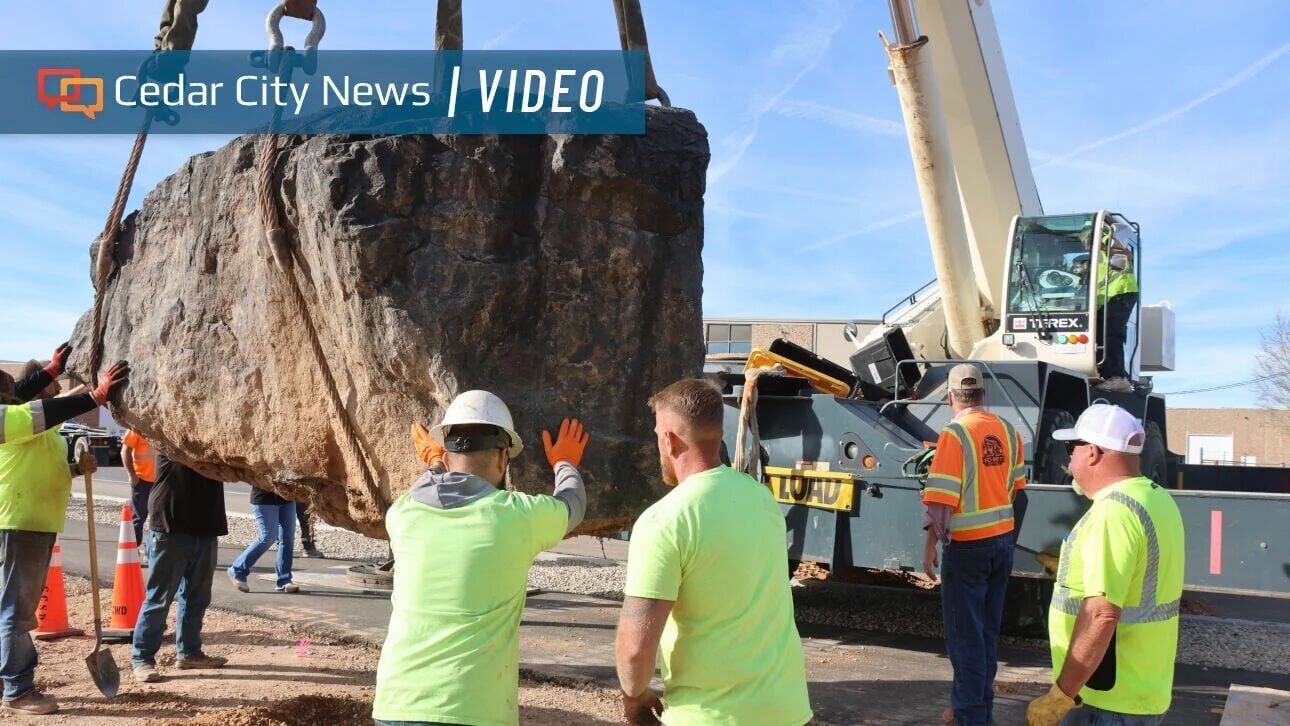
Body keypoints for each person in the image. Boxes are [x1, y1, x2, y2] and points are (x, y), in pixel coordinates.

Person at [372, 390, 588, 726]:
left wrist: (434, 463)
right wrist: (565, 462)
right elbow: (572, 506)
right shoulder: (517, 517)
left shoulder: (402, 514)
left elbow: (432, 488)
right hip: (473, 710)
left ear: (447, 451)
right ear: (503, 456)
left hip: (396, 705)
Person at [616, 379, 812, 726]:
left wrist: (635, 694)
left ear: (668, 439)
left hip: (710, 717)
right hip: (788, 713)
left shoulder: (664, 521)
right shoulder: (762, 500)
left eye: (658, 434)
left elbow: (634, 651)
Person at [1027, 404, 1184, 726]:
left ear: (1094, 453)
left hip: (1105, 698)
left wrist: (1061, 695)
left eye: (1072, 447)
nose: (1068, 458)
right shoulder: (1156, 498)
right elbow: (1140, 577)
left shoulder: (1113, 513)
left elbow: (1101, 613)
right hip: (1141, 689)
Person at [1, 344, 130, 716]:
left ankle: (7, 676)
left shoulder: (22, 421)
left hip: (31, 521)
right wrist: (93, 396)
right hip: (20, 522)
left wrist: (75, 468)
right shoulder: (9, 419)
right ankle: (18, 689)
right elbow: (36, 408)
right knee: (17, 609)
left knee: (11, 605)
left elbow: (37, 441)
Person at [921, 364, 1027, 726]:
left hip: (967, 549)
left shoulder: (954, 434)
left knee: (965, 639)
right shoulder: (1010, 433)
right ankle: (979, 709)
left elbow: (941, 502)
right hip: (1002, 544)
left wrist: (929, 546)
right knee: (985, 633)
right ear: (984, 396)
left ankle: (970, 717)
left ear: (951, 397)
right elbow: (1016, 488)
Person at [132, 452, 229, 682]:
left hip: (206, 526)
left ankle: (189, 652)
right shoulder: (173, 436)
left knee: (198, 596)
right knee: (159, 598)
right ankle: (142, 658)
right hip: (171, 525)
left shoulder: (217, 441)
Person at [228, 486, 299, 594]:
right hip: (264, 498)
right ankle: (237, 570)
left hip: (288, 497)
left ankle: (284, 580)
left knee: (287, 539)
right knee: (268, 537)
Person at [1094, 226, 1138, 393]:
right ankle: (1109, 374)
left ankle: (1118, 377)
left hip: (1122, 292)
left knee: (1112, 333)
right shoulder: (1094, 257)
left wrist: (1102, 243)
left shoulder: (1112, 239)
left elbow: (1125, 252)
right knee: (1099, 336)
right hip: (1105, 297)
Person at [121, 430, 157, 566]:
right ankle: (132, 551)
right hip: (141, 481)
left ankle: (151, 552)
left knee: (158, 520)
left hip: (160, 481)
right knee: (138, 518)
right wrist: (132, 475)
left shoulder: (160, 425)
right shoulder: (135, 428)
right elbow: (125, 451)